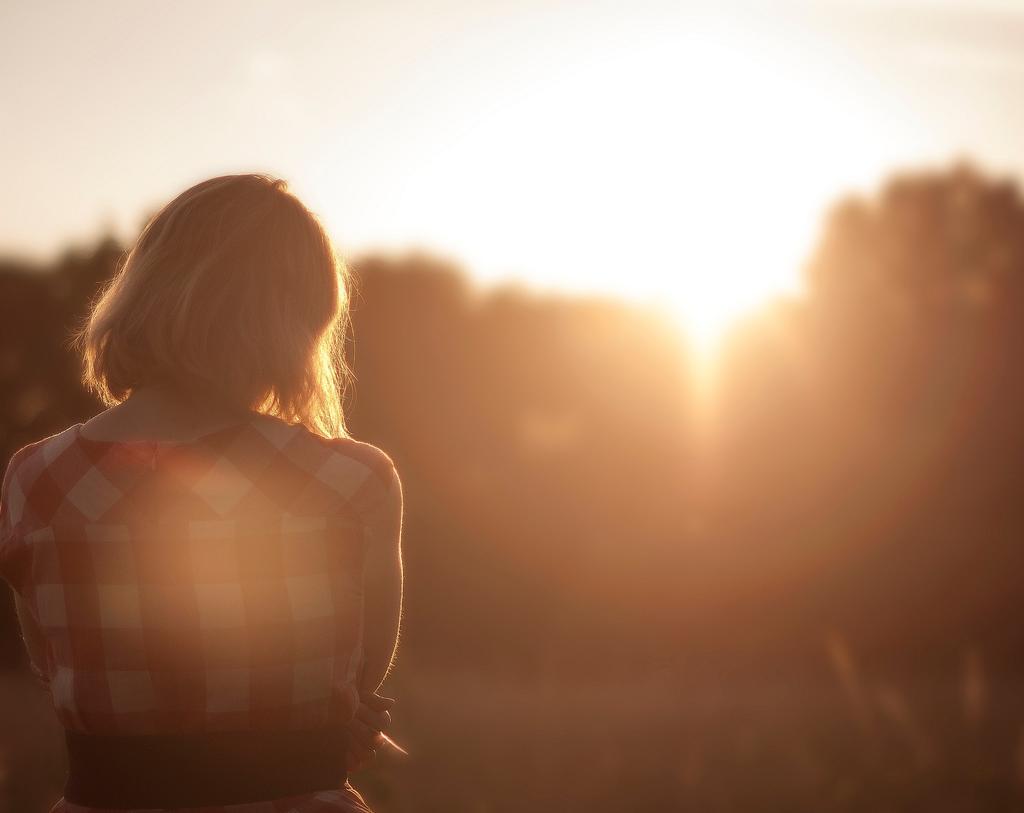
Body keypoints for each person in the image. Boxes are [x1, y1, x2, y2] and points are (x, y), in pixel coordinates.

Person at [0, 174, 405, 812]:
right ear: (295, 321)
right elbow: (357, 677)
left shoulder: (36, 479)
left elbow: (58, 670)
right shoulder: (351, 480)